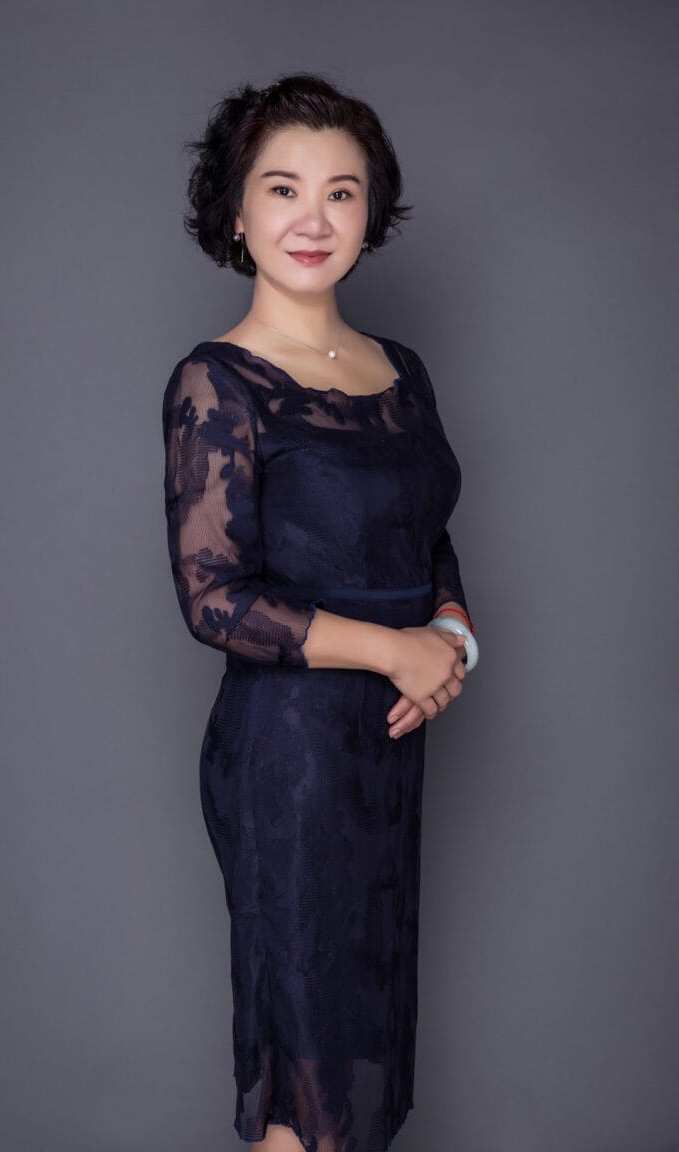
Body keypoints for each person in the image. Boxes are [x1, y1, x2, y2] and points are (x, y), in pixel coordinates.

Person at [162, 72, 479, 1152]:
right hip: (288, 759)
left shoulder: (403, 372)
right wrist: (395, 649)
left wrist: (452, 641)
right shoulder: (219, 382)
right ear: (237, 212)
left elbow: (427, 533)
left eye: (341, 192)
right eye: (283, 188)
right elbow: (215, 601)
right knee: (306, 1086)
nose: (313, 218)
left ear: (370, 211)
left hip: (386, 751)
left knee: (364, 1058)